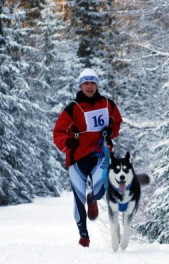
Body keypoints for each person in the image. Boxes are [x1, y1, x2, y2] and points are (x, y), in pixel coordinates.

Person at [53, 68, 122, 247]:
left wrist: (110, 131)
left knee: (101, 186)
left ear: (97, 84)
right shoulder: (73, 108)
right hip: (76, 161)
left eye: (92, 83)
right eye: (86, 83)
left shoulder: (107, 104)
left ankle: (94, 198)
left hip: (99, 155)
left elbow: (116, 122)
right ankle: (84, 236)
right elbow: (58, 132)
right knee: (78, 200)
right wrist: (68, 143)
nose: (89, 87)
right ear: (80, 85)